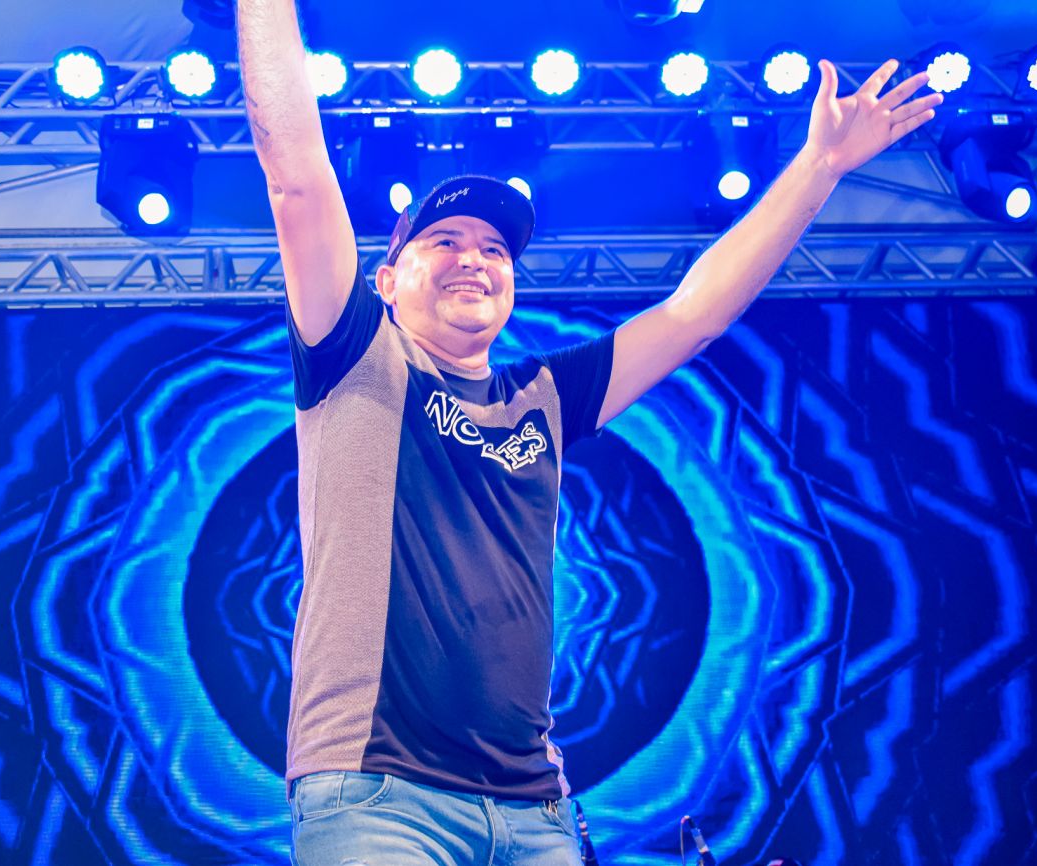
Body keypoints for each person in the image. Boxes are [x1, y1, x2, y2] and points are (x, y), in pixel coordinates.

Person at [235, 2, 942, 864]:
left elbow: (693, 314)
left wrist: (818, 167)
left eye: (496, 250)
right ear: (385, 279)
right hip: (381, 798)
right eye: (445, 240)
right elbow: (297, 177)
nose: (474, 258)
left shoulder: (542, 395)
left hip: (535, 811)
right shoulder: (355, 355)